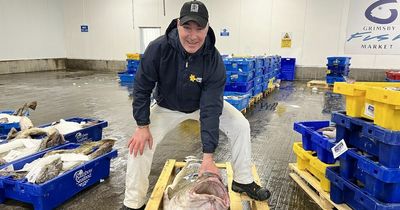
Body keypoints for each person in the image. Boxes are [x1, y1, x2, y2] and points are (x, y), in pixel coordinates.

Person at [122, 1, 271, 209]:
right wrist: (142, 126)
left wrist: (208, 157)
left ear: (207, 28)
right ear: (177, 25)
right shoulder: (158, 48)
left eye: (199, 28)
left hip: (201, 105)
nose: (193, 36)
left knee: (240, 125)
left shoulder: (213, 60)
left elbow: (211, 108)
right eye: (187, 28)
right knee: (138, 145)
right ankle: (133, 201)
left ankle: (242, 181)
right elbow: (141, 87)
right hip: (167, 106)